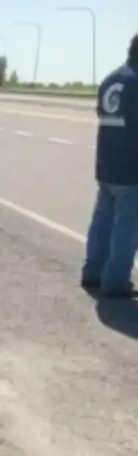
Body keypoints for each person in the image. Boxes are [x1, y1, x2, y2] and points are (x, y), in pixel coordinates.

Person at [81, 34, 138, 299]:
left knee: (103, 219)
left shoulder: (110, 80)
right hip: (131, 169)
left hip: (107, 164)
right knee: (127, 225)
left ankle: (93, 271)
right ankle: (115, 279)